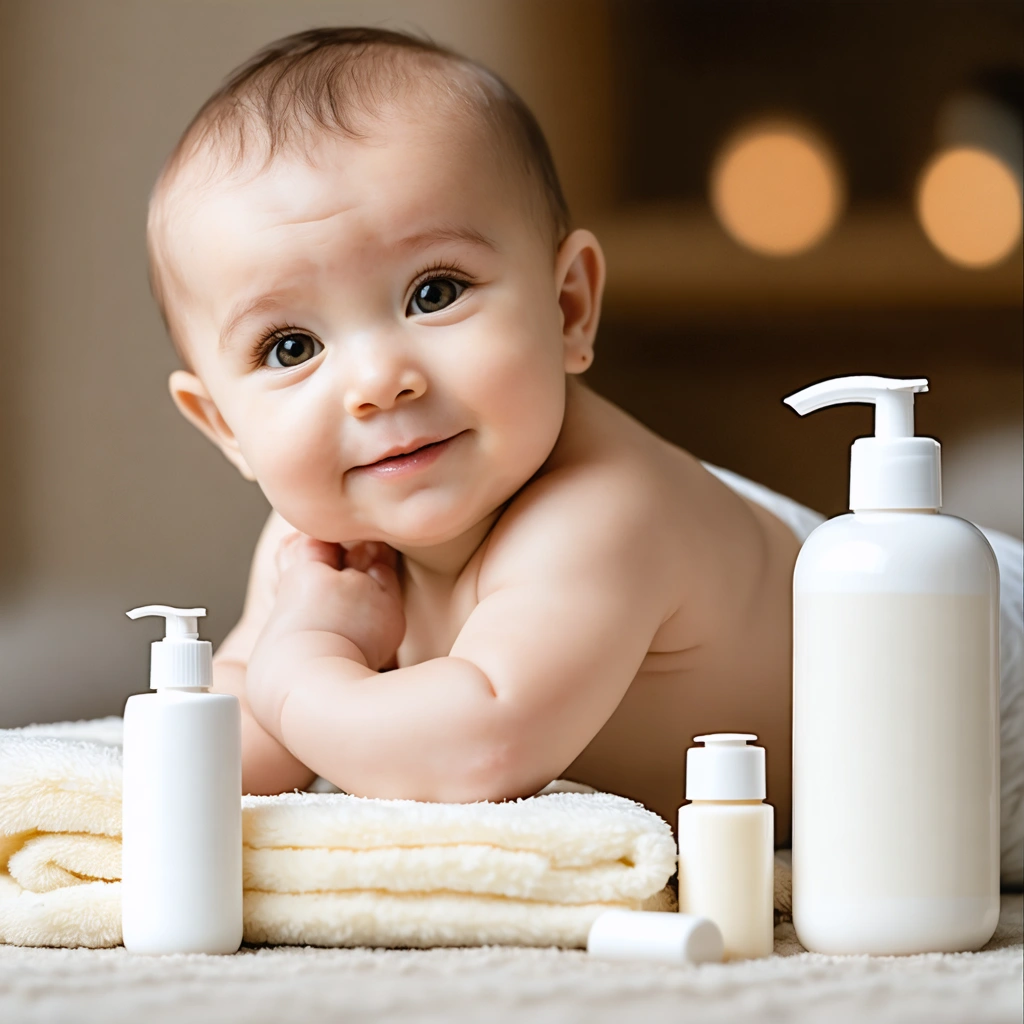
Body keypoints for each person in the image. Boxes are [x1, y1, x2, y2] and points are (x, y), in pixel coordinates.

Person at [147, 28, 1023, 873]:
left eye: (434, 291)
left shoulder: (603, 516)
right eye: (291, 347)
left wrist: (298, 667)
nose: (378, 380)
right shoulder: (316, 553)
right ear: (226, 426)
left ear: (568, 308)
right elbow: (244, 759)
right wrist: (271, 670)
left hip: (971, 718)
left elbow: (473, 753)